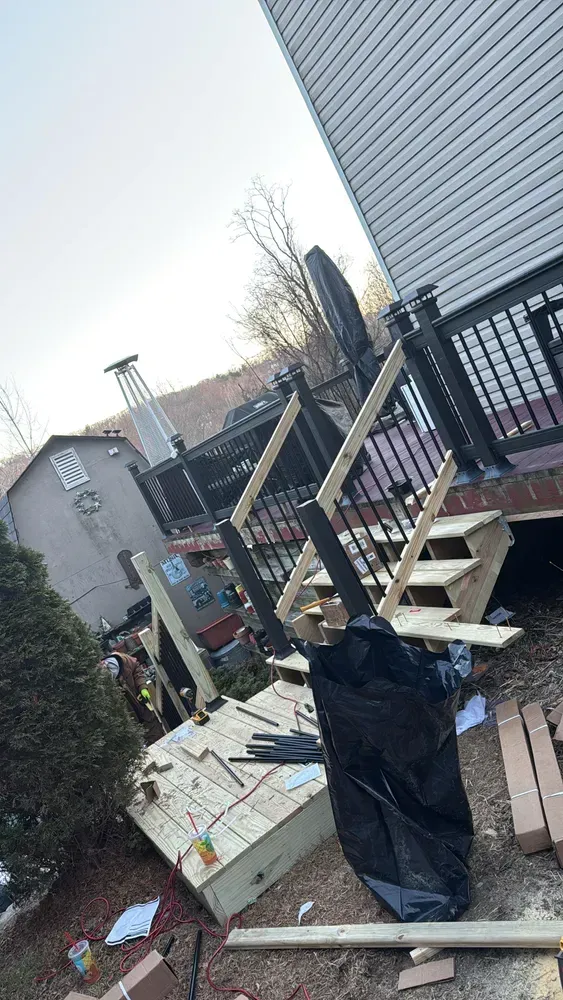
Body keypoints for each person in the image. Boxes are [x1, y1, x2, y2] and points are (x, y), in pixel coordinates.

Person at [102, 651, 163, 745]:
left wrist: (142, 687)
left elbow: (136, 668)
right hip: (128, 725)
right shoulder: (97, 684)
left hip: (144, 712)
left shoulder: (121, 660)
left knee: (160, 741)